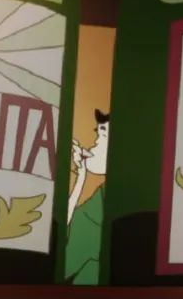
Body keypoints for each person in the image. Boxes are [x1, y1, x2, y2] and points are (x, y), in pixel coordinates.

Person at [65, 109, 109, 285]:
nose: (96, 142)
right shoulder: (98, 196)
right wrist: (80, 177)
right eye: (98, 133)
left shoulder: (104, 197)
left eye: (103, 135)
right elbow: (66, 228)